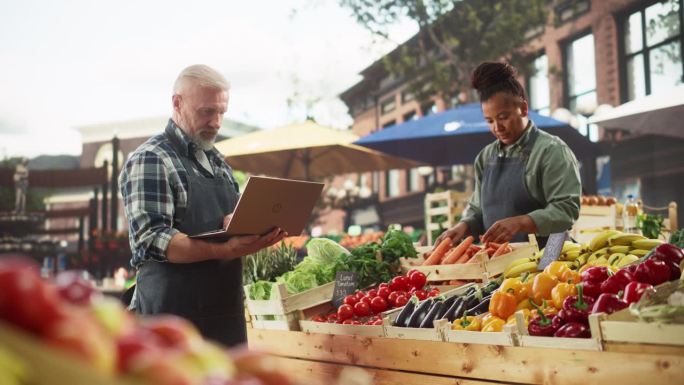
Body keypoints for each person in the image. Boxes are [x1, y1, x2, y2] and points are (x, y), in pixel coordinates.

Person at [119, 64, 287, 346]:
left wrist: (243, 225)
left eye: (222, 112)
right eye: (207, 111)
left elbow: (226, 222)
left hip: (225, 316)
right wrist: (226, 249)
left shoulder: (218, 161)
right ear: (177, 103)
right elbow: (154, 239)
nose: (217, 122)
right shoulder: (151, 158)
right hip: (170, 320)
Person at [435, 62, 581, 247]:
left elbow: (566, 210)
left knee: (543, 276)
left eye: (503, 117)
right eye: (490, 121)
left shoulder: (551, 150)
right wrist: (464, 226)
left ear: (523, 109)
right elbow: (478, 211)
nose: (497, 128)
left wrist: (520, 222)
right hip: (499, 259)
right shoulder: (485, 157)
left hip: (551, 256)